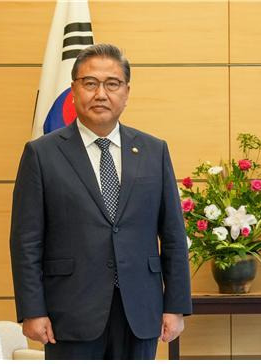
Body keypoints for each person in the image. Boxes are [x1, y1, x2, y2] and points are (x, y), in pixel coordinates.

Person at [10, 44, 192, 360]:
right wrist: (32, 310)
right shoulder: (42, 154)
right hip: (69, 313)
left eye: (112, 84)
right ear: (74, 89)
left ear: (126, 92)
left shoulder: (153, 150)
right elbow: (26, 242)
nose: (101, 94)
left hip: (140, 311)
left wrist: (175, 305)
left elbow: (174, 236)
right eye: (90, 83)